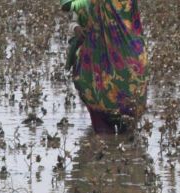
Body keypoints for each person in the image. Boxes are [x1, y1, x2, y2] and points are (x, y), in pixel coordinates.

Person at [63, 0, 148, 134]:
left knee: (125, 125)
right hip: (96, 57)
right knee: (107, 129)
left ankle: (112, 140)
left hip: (124, 57)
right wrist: (76, 28)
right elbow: (74, 19)